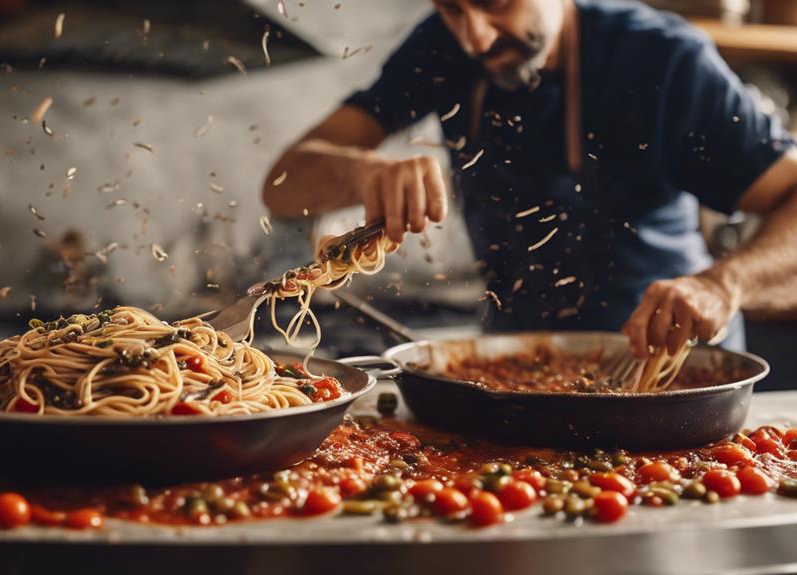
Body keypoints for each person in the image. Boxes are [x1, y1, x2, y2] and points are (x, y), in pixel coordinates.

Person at [262, 0, 797, 359]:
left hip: (665, 369)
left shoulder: (663, 58)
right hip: (517, 365)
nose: (475, 37)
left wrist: (722, 285)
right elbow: (284, 184)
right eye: (451, 8)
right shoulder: (442, 48)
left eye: (497, 3)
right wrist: (361, 170)